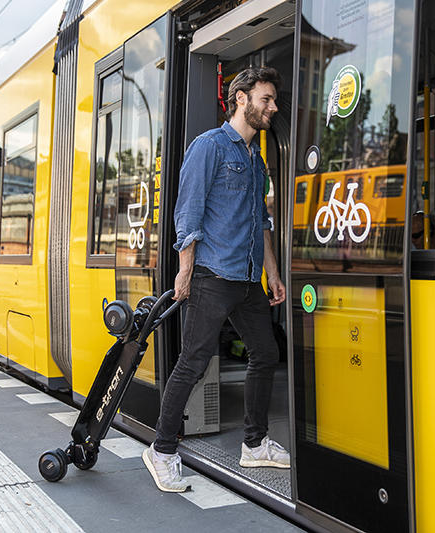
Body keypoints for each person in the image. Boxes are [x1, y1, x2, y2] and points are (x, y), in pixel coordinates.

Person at [142, 67, 289, 493]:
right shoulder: (209, 146)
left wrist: (272, 273)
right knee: (194, 361)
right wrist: (185, 270)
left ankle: (254, 443)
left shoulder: (255, 159)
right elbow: (187, 212)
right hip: (212, 274)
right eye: (266, 99)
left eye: (273, 100)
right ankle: (162, 450)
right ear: (242, 98)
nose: (272, 107)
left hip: (246, 278)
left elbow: (262, 221)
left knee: (265, 353)